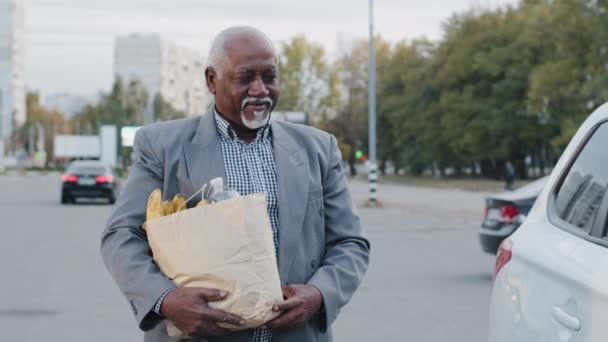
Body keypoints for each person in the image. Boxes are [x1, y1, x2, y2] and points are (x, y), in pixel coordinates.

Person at [100, 26, 370, 342]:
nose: (260, 89)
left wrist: (319, 293)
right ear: (212, 80)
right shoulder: (163, 147)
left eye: (269, 77)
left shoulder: (318, 149)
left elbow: (350, 242)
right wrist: (167, 300)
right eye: (245, 78)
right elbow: (120, 236)